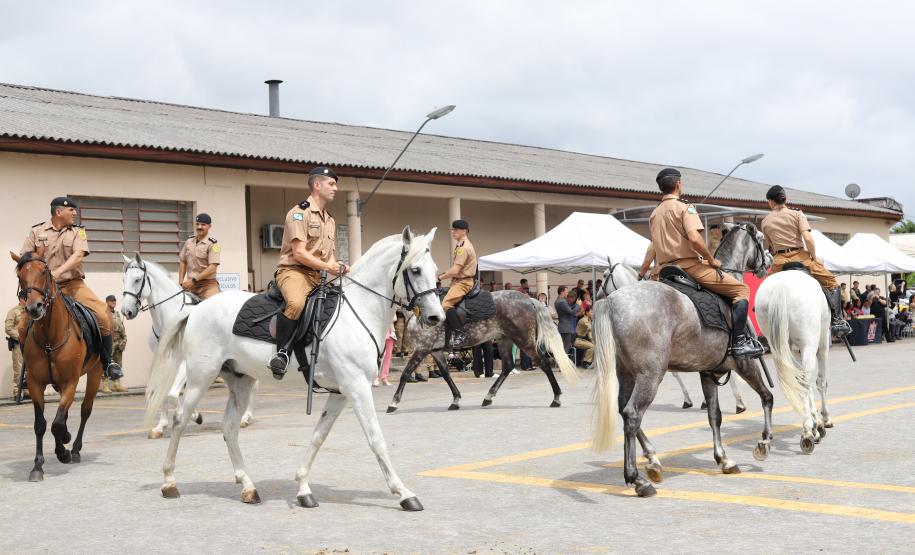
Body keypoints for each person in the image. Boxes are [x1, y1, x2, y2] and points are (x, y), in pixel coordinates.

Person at [648, 169, 762, 358]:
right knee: (741, 290)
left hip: (664, 270)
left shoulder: (654, 214)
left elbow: (652, 248)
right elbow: (694, 237)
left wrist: (646, 270)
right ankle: (739, 343)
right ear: (678, 184)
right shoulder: (685, 207)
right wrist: (711, 259)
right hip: (690, 267)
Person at [20, 197, 123, 380]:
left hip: (72, 284)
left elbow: (78, 255)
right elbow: (25, 258)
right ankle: (29, 368)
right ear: (59, 212)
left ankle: (108, 363)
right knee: (22, 326)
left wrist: (57, 273)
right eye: (71, 211)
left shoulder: (78, 232)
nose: (75, 213)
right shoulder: (36, 231)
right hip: (43, 288)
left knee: (103, 314)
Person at [268, 167, 349, 379]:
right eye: (331, 184)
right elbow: (300, 253)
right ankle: (282, 353)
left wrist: (338, 266)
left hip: (316, 276)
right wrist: (327, 267)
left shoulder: (329, 220)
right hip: (293, 271)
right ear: (317, 185)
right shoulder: (298, 213)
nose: (336, 188)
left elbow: (328, 257)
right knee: (296, 303)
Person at [760, 185, 851, 337]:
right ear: (785, 198)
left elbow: (770, 247)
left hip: (779, 261)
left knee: (765, 289)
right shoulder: (797, 215)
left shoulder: (765, 221)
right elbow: (808, 239)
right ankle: (836, 320)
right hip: (800, 257)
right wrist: (814, 258)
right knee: (831, 282)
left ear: (770, 202)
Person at [438, 219, 477, 347]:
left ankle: (461, 333)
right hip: (458, 281)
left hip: (463, 282)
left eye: (456, 229)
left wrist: (440, 278)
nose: (453, 231)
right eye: (453, 229)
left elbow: (455, 270)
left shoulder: (463, 247)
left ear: (464, 231)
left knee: (446, 304)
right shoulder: (460, 245)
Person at [178, 213, 222, 300]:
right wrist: (180, 282)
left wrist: (194, 280)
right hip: (190, 286)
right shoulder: (189, 242)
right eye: (197, 224)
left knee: (213, 306)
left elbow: (213, 267)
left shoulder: (214, 244)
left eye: (203, 224)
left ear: (209, 226)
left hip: (208, 286)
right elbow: (183, 260)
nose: (199, 227)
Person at [105, 295, 129, 393]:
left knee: (118, 364)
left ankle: (116, 384)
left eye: (115, 300)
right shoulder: (105, 313)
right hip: (109, 342)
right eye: (111, 300)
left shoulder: (117, 314)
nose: (114, 302)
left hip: (119, 342)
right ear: (107, 302)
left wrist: (124, 339)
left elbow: (122, 327)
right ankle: (105, 385)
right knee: (107, 363)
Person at [6, 292, 27, 399]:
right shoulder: (14, 311)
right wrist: (19, 337)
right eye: (25, 298)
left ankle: (28, 391)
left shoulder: (30, 311)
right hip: (18, 344)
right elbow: (8, 328)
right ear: (20, 299)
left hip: (31, 345)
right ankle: (17, 393)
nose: (27, 300)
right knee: (18, 369)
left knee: (30, 369)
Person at [556, 288, 583, 354]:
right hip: (566, 329)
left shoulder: (561, 302)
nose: (567, 293)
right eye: (566, 292)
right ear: (562, 292)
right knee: (565, 349)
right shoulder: (562, 302)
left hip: (564, 328)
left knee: (564, 348)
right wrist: (578, 305)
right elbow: (572, 312)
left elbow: (570, 312)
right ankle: (563, 363)